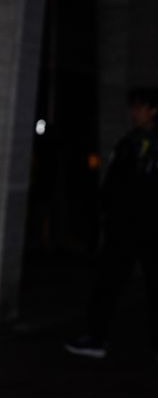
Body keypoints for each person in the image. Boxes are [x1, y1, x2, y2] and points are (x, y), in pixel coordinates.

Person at [64, 85, 158, 360]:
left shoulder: (146, 145)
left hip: (143, 226)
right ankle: (95, 337)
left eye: (140, 107)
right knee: (109, 283)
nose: (134, 112)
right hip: (127, 226)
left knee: (143, 283)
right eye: (134, 106)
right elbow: (114, 186)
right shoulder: (130, 142)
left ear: (153, 110)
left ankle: (98, 337)